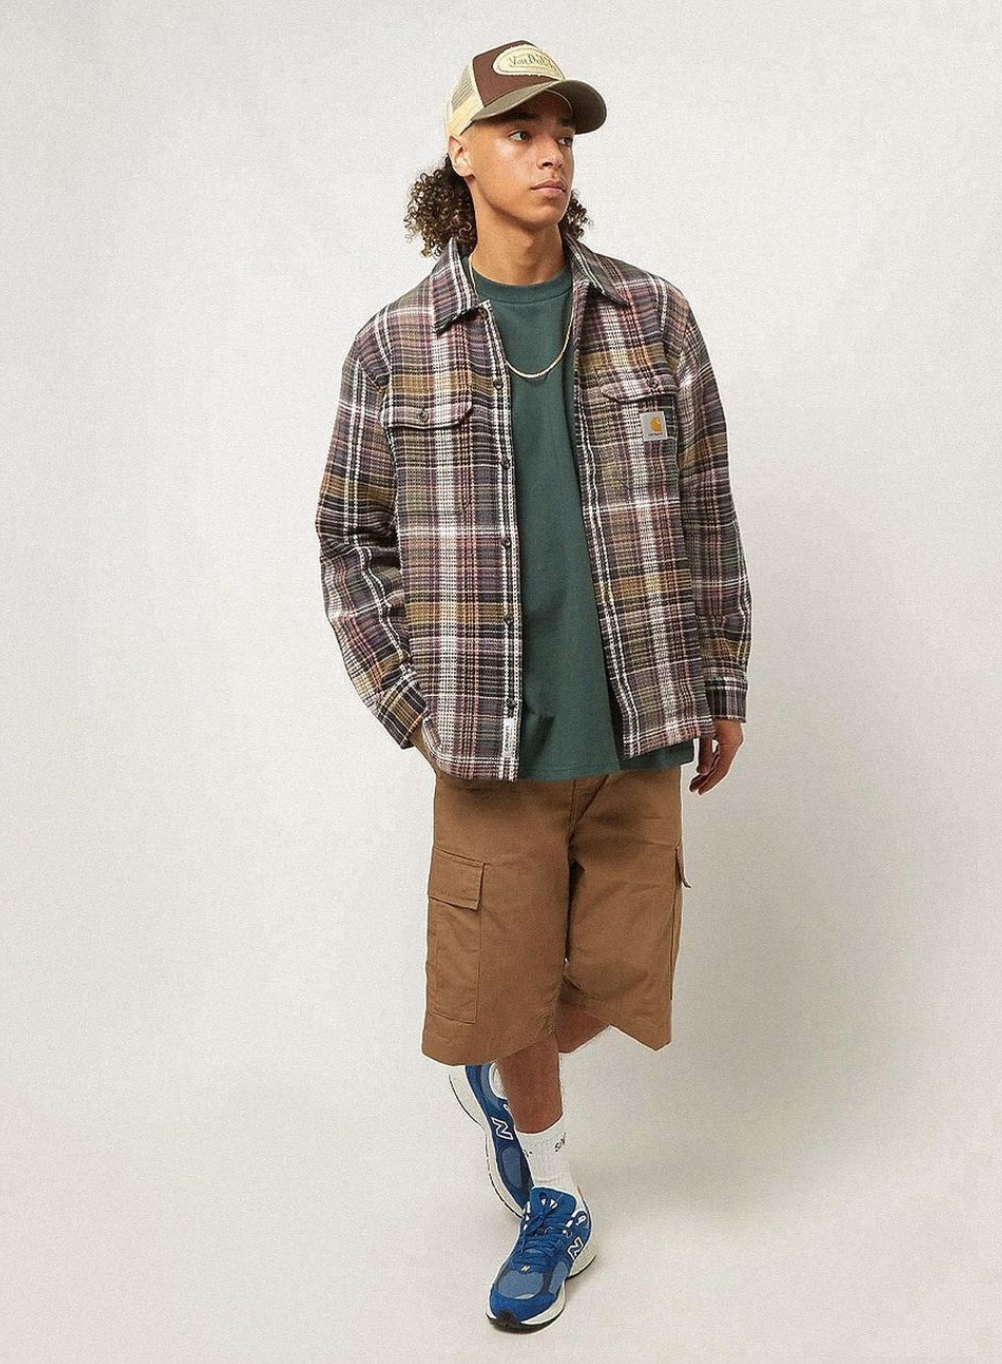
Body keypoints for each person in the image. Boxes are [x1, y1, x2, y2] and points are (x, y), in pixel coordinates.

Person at [315, 38, 752, 1332]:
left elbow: (707, 505)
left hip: (640, 716)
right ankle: (554, 1196)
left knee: (615, 982)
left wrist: (724, 676)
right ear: (460, 154)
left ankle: (499, 1082)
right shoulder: (397, 344)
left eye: (562, 132)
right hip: (490, 742)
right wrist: (413, 706)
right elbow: (347, 536)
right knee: (501, 984)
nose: (549, 153)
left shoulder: (653, 317)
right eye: (518, 131)